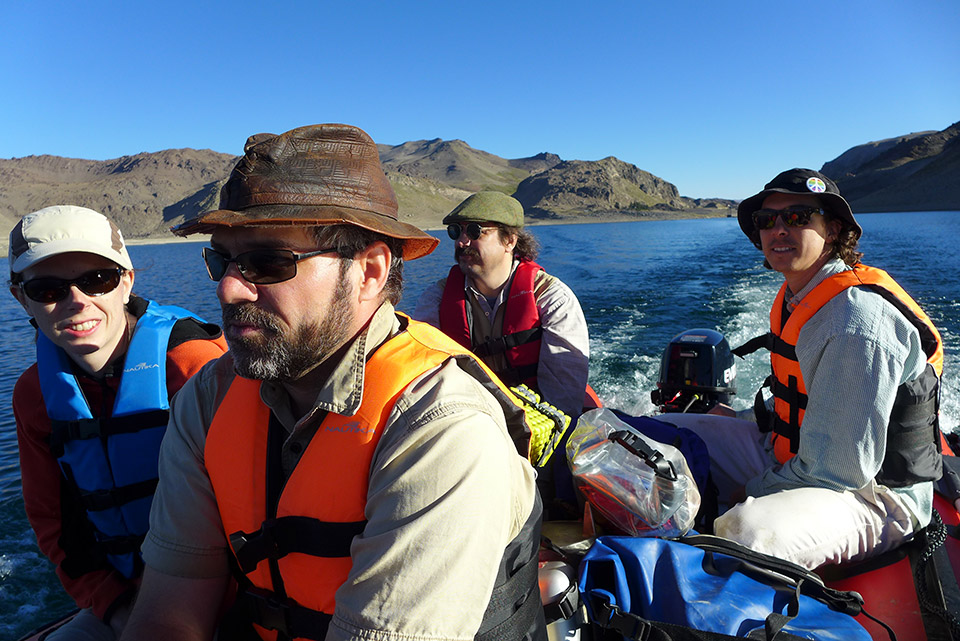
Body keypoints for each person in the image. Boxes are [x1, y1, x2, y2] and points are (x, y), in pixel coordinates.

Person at [120, 124, 545, 641]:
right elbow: (170, 613)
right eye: (223, 260)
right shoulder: (209, 398)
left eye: (267, 263)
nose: (229, 289)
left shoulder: (443, 427)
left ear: (369, 271)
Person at [670, 168, 943, 570]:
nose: (778, 229)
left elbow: (836, 470)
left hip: (871, 495)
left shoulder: (855, 323)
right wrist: (746, 421)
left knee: (745, 532)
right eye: (767, 221)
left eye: (797, 217)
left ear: (832, 231)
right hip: (796, 458)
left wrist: (749, 491)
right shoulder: (799, 295)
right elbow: (801, 401)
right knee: (670, 432)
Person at [9, 205, 228, 640]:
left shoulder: (194, 366)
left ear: (127, 282)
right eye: (48, 288)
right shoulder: (35, 395)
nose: (77, 301)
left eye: (97, 280)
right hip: (123, 598)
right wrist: (116, 607)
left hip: (228, 592)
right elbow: (53, 524)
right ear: (22, 298)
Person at [413, 191, 590, 420]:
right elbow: (424, 377)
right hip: (467, 419)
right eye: (456, 231)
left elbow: (562, 400)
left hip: (537, 422)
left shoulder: (552, 299)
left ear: (510, 241)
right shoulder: (435, 299)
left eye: (475, 231)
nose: (462, 241)